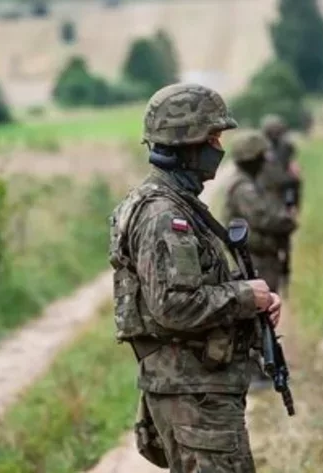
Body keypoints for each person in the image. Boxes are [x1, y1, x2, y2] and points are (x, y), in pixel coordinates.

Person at [108, 83, 282, 473]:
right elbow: (174, 305)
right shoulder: (164, 215)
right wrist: (245, 297)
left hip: (196, 388)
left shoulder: (177, 204)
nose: (219, 148)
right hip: (193, 392)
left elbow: (194, 283)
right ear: (186, 143)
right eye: (213, 138)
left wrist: (253, 297)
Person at [222, 130, 298, 391]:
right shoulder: (243, 187)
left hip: (260, 256)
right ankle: (253, 370)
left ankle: (259, 366)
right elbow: (263, 217)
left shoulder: (248, 183)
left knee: (260, 312)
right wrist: (286, 221)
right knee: (257, 313)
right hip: (255, 258)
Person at [258, 114, 302, 291]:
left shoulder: (283, 149)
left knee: (282, 245)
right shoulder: (264, 153)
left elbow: (292, 181)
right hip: (272, 202)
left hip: (280, 201)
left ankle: (281, 279)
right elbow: (283, 179)